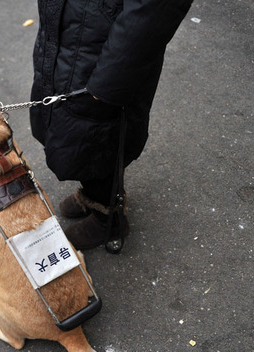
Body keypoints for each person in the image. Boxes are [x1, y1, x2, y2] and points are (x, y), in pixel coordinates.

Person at [30, 0, 193, 250]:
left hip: (107, 55)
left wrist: (110, 80)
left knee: (98, 135)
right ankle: (93, 194)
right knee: (69, 130)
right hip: (74, 33)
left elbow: (155, 10)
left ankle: (109, 216)